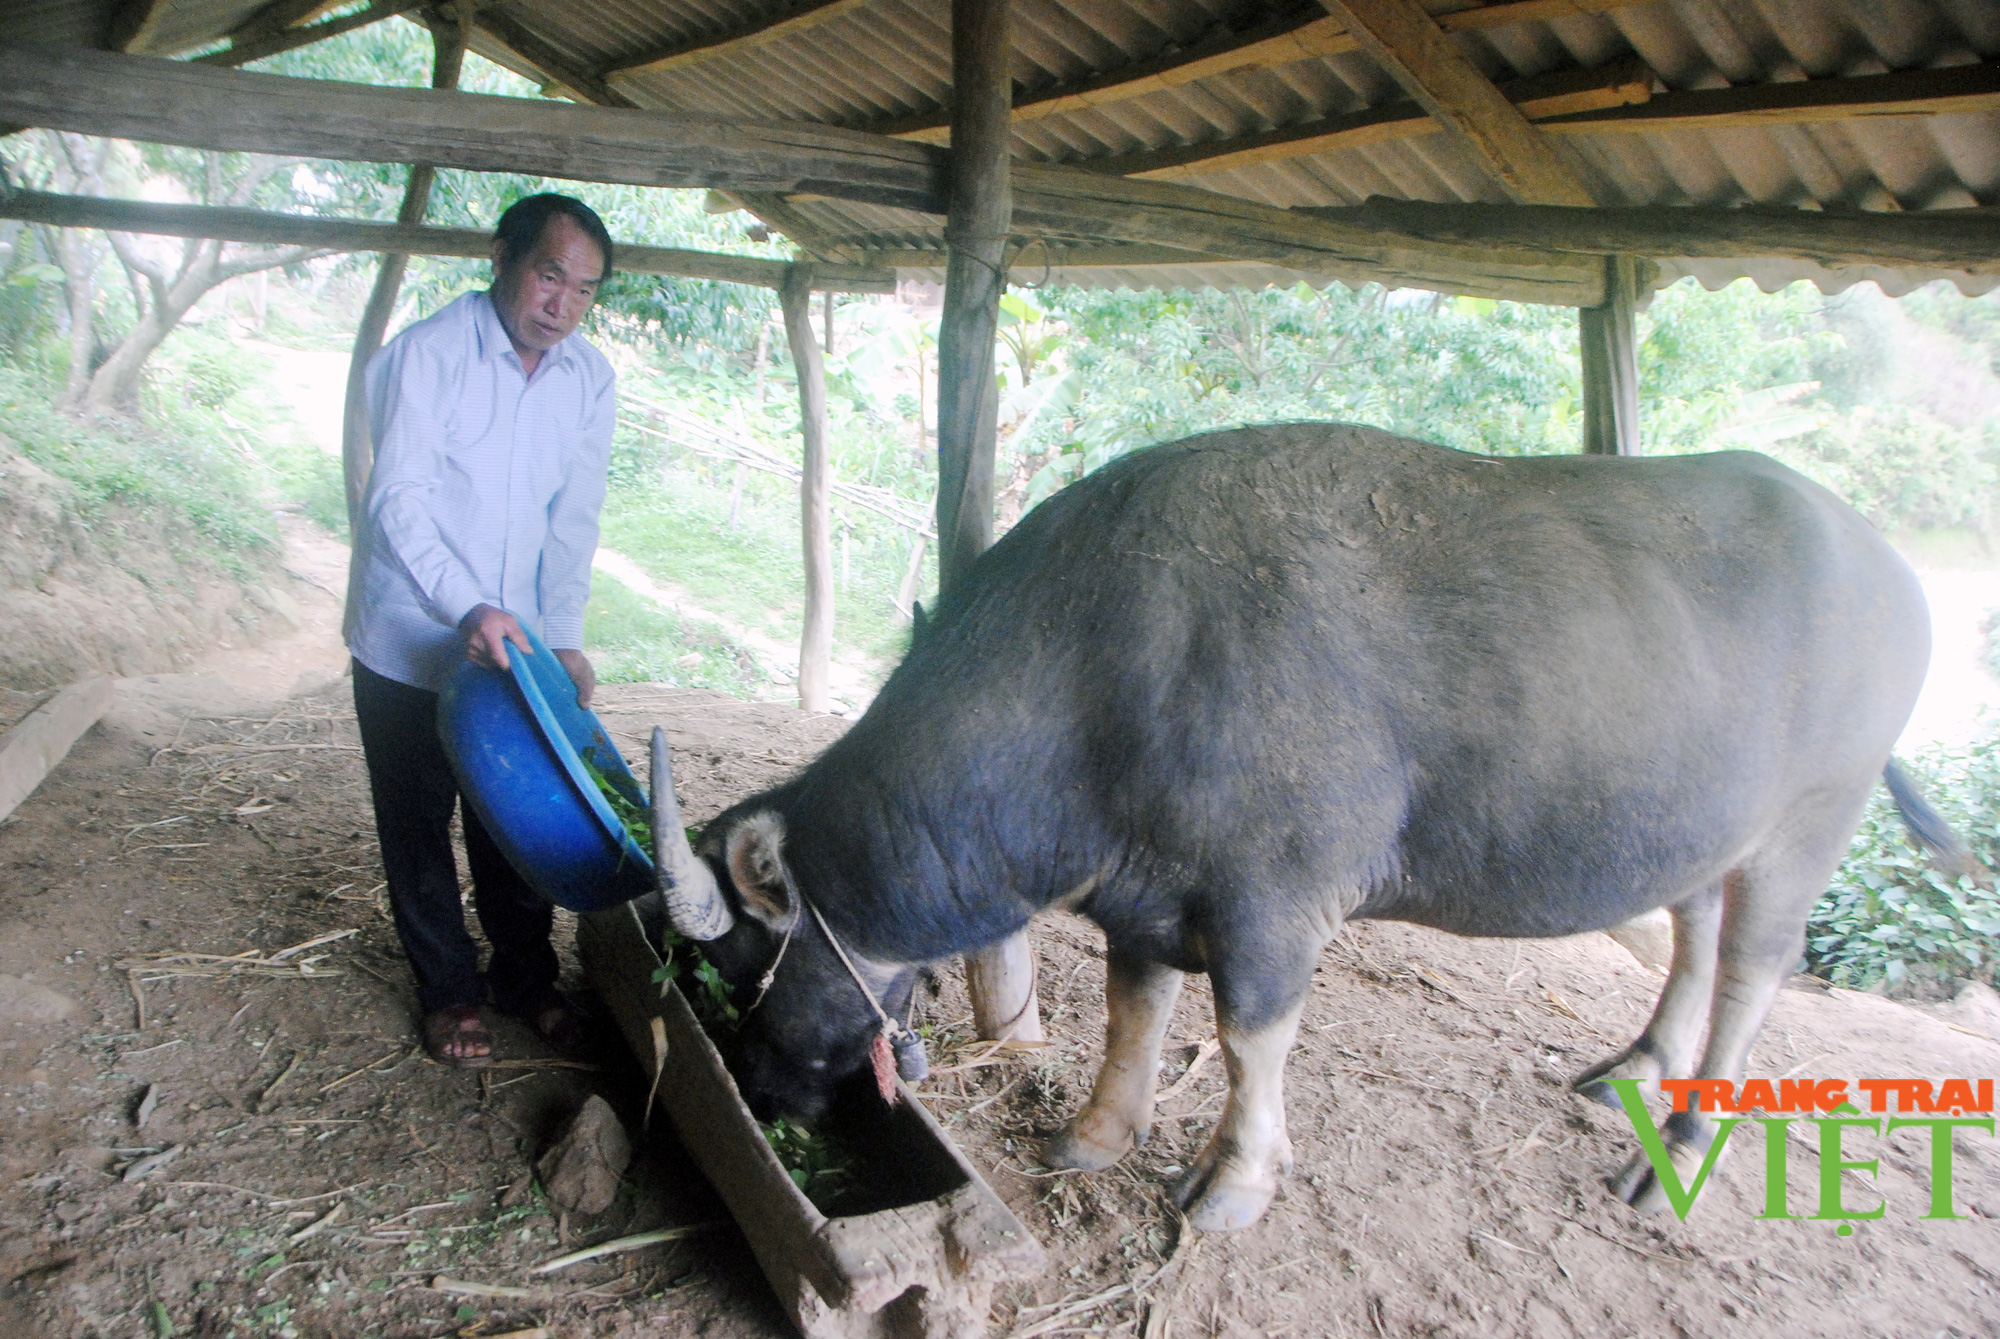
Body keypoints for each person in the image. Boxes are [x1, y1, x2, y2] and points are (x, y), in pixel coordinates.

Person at [344, 193, 616, 1067]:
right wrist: (469, 605)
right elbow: (399, 500)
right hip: (406, 635)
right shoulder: (427, 357)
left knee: (512, 818)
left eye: (584, 290)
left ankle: (525, 978)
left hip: (519, 649)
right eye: (548, 275)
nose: (562, 305)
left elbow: (573, 518)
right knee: (419, 820)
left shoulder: (588, 379)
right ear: (501, 258)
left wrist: (562, 633)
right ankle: (449, 990)